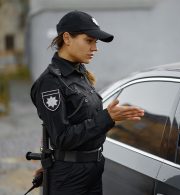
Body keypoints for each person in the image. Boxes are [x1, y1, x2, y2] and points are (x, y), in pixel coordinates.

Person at [30, 10, 144, 195]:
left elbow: (86, 120)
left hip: (91, 169)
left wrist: (110, 117)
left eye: (95, 42)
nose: (95, 48)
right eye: (89, 41)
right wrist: (107, 117)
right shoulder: (51, 82)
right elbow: (62, 138)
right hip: (69, 177)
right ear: (67, 38)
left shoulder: (79, 74)